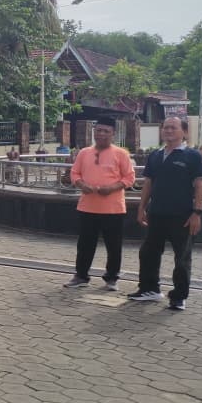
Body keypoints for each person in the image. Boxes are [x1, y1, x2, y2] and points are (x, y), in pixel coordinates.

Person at [129, 116, 202, 310]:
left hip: (182, 216)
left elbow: (200, 185)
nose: (168, 131)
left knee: (182, 258)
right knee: (148, 253)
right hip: (156, 214)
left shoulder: (192, 156)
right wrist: (141, 208)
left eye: (173, 127)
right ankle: (149, 289)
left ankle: (179, 296)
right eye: (166, 128)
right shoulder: (155, 155)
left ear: (184, 132)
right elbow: (148, 183)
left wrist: (197, 212)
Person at [63, 117, 135, 291]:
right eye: (99, 130)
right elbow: (74, 174)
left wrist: (112, 188)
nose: (101, 134)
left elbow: (129, 178)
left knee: (114, 245)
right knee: (85, 244)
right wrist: (81, 185)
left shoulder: (121, 154)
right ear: (94, 131)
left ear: (113, 134)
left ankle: (112, 278)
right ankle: (81, 276)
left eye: (106, 131)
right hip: (87, 207)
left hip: (113, 208)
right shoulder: (84, 153)